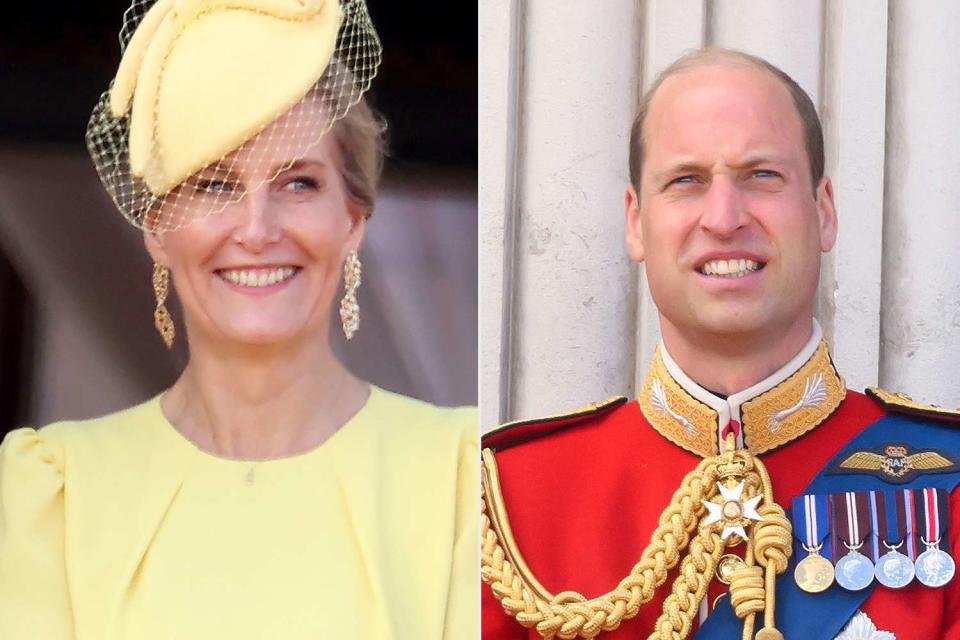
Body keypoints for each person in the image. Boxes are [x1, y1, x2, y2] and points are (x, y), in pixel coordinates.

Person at [0, 1, 476, 638]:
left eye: (299, 183)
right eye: (214, 185)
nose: (257, 231)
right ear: (157, 230)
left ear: (353, 221)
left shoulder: (463, 476)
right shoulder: (53, 490)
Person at [480, 48, 960, 640]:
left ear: (824, 210)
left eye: (762, 175)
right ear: (636, 222)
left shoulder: (947, 482)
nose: (725, 217)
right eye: (687, 180)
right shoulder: (513, 497)